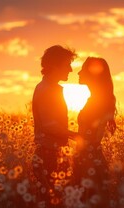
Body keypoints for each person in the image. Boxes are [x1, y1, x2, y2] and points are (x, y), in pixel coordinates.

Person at [32, 45, 78, 199]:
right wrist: (77, 136)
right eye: (67, 65)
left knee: (56, 199)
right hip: (49, 155)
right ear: (54, 65)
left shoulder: (49, 87)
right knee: (54, 200)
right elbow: (49, 125)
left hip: (54, 152)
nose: (70, 70)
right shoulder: (47, 89)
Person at [74, 57, 117, 195]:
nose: (78, 73)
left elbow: (93, 137)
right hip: (89, 157)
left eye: (82, 69)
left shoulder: (98, 100)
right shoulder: (96, 98)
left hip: (89, 159)